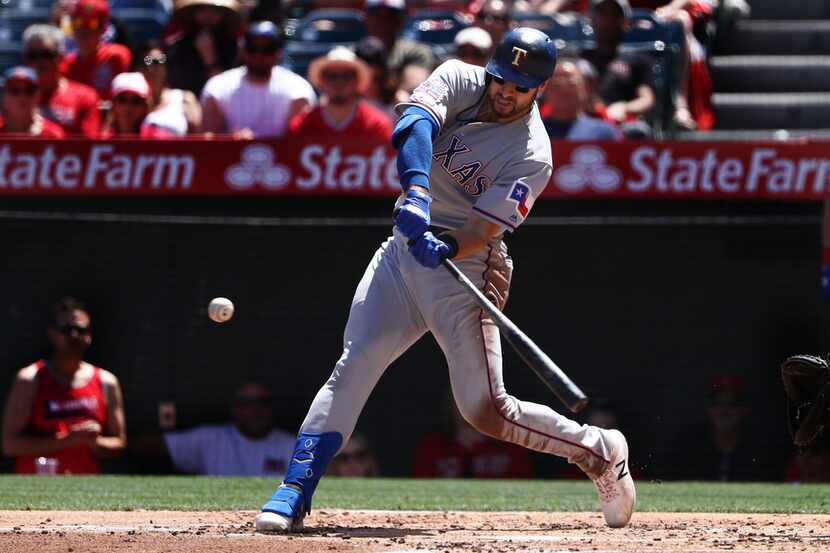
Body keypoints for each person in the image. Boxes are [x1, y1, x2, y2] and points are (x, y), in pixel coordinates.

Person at [254, 27, 635, 534]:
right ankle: (295, 489)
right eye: (501, 78)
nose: (505, 91)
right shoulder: (458, 75)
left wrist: (452, 245)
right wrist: (415, 191)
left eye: (520, 86)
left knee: (485, 410)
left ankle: (600, 450)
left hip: (465, 268)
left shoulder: (532, 154)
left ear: (538, 89)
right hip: (402, 251)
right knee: (356, 361)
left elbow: (484, 228)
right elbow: (414, 123)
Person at [1, 298, 126, 474]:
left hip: (86, 490)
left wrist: (93, 441)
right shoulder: (30, 379)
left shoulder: (106, 381)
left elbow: (119, 442)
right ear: (53, 334)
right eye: (67, 330)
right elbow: (10, 445)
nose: (74, 336)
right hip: (36, 489)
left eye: (81, 330)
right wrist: (67, 440)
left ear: (89, 336)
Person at [131, 382, 295, 476]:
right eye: (247, 403)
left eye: (263, 402)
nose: (256, 409)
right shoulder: (211, 438)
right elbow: (152, 445)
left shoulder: (291, 445)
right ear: (235, 408)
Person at [200, 21, 315, 139]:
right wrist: (231, 141)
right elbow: (208, 140)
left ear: (278, 53)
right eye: (252, 48)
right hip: (229, 156)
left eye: (267, 49)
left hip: (284, 156)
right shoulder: (218, 87)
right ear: (243, 50)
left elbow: (301, 142)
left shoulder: (298, 89)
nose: (259, 55)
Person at [580, 0, 656, 138]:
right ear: (592, 20)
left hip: (621, 124)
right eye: (602, 14)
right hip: (582, 120)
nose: (608, 20)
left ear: (625, 22)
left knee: (639, 131)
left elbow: (646, 99)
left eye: (614, 15)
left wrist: (625, 108)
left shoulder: (639, 60)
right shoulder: (580, 59)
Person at [414, 393, 532, 478]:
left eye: (475, 402)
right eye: (462, 401)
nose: (468, 408)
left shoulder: (510, 447)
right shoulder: (433, 447)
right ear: (450, 405)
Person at [289, 47, 392, 139]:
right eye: (332, 76)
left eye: (347, 76)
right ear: (322, 80)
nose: (339, 82)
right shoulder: (303, 126)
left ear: (357, 81)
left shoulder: (377, 126)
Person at [23, 24, 101, 138]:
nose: (40, 62)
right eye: (33, 56)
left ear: (61, 57)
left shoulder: (84, 97)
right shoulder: (14, 96)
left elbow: (89, 146)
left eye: (47, 55)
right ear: (25, 60)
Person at [164, 0, 243, 97]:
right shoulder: (176, 48)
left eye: (214, 11)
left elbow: (229, 92)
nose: (208, 15)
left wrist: (210, 59)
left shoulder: (235, 48)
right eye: (202, 10)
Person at [59, 0, 131, 99]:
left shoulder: (116, 57)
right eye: (78, 23)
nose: (84, 30)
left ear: (103, 28)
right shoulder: (64, 65)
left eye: (92, 24)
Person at [542, 58, 622, 140]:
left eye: (571, 84)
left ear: (585, 88)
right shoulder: (533, 132)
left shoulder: (605, 133)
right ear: (544, 90)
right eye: (557, 85)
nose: (564, 90)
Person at [137, 41, 202, 136]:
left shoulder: (183, 98)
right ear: (139, 68)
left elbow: (199, 136)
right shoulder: (129, 101)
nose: (153, 67)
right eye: (148, 61)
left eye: (160, 61)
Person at [364, 0, 435, 76]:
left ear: (402, 19)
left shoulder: (416, 52)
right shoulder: (352, 55)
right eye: (377, 15)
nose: (383, 22)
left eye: (391, 16)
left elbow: (414, 84)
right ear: (367, 18)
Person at [0, 67, 66, 138]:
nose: (22, 97)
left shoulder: (53, 134)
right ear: (3, 97)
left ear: (38, 96)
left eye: (29, 91)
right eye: (14, 90)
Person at [100, 72, 151, 137]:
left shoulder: (157, 139)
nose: (128, 108)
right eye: (122, 100)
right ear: (113, 105)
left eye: (136, 101)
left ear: (145, 106)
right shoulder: (101, 139)